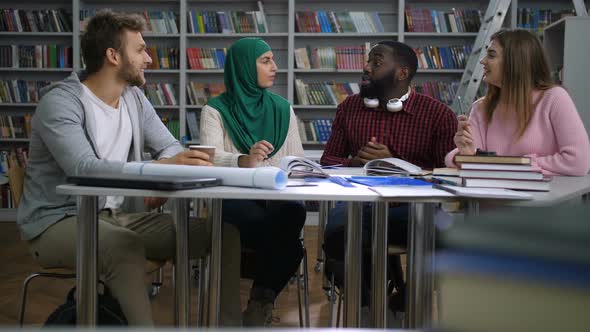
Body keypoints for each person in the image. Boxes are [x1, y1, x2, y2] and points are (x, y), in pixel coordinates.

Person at [16, 10, 242, 326]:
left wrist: (167, 168)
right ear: (112, 55)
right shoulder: (60, 102)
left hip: (117, 218)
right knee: (124, 246)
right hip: (56, 221)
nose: (148, 58)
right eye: (139, 50)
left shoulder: (134, 98)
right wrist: (156, 170)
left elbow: (170, 148)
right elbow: (83, 167)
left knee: (221, 234)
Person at [319, 40, 457, 321]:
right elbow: (329, 160)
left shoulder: (439, 115)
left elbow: (446, 173)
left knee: (445, 238)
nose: (366, 67)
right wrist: (355, 163)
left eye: (377, 61)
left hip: (416, 207)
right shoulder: (349, 108)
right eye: (368, 60)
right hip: (361, 205)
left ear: (402, 73)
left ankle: (402, 300)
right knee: (337, 235)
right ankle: (371, 308)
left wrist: (396, 163)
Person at [200, 37, 306, 327]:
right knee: (289, 245)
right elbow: (209, 157)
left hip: (275, 200)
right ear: (244, 66)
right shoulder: (215, 110)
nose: (275, 67)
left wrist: (273, 170)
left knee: (292, 213)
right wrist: (242, 161)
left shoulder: (283, 109)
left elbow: (295, 161)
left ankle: (259, 304)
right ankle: (260, 299)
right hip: (234, 202)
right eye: (265, 60)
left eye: (273, 59)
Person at [446, 28, 590, 176]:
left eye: (491, 55)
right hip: (495, 197)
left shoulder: (555, 98)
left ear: (515, 61)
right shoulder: (481, 107)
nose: (483, 61)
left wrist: (516, 164)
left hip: (548, 197)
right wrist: (466, 154)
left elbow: (578, 162)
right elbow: (476, 163)